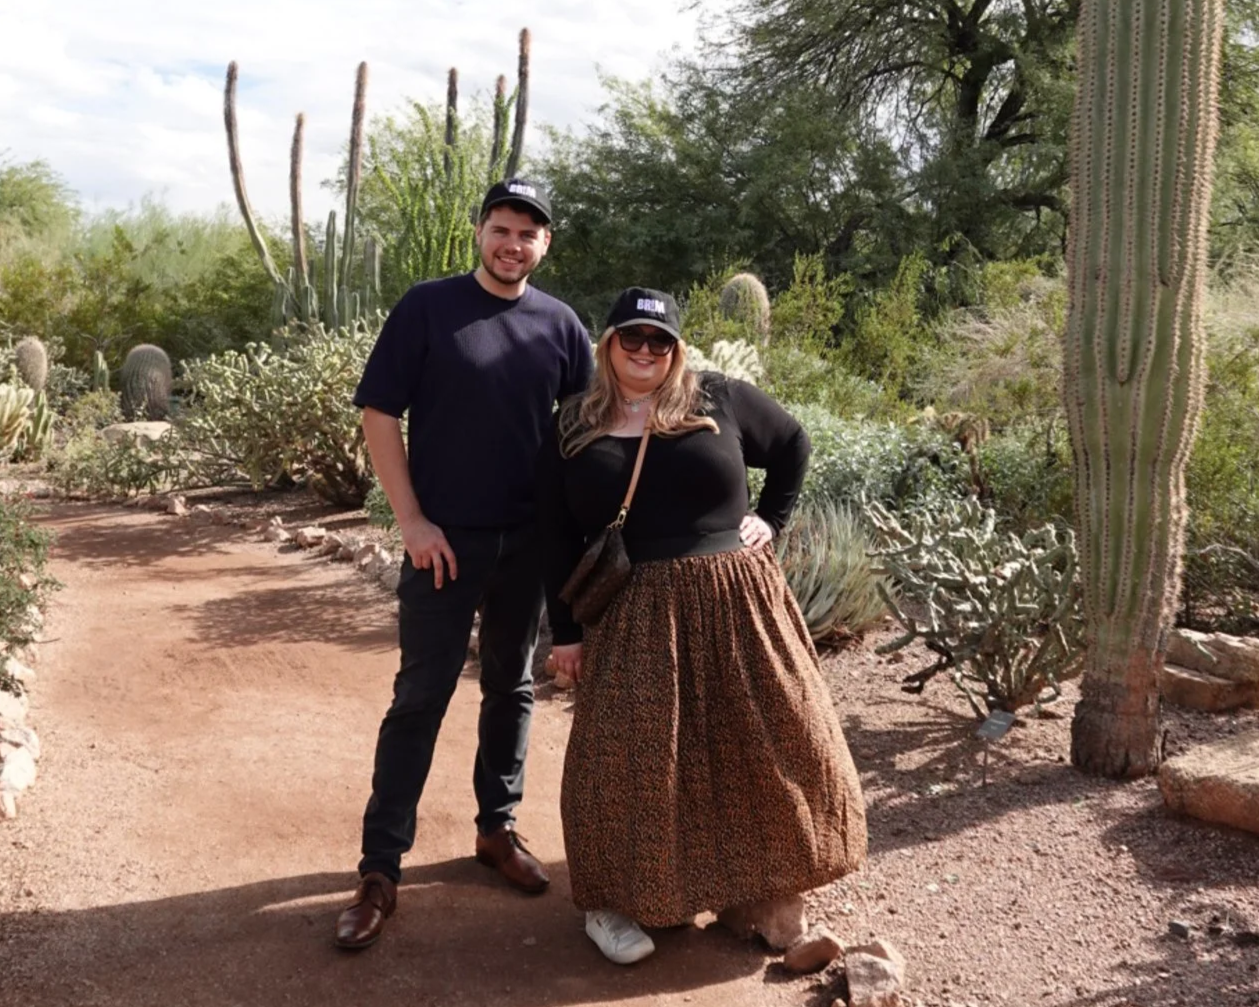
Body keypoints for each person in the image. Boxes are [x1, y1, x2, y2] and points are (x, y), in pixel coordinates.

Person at [536, 287, 867, 965]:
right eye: (632, 338)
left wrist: (771, 517)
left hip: (736, 599)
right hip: (633, 609)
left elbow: (793, 443)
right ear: (608, 344)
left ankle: (756, 885)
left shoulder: (718, 397)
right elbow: (553, 533)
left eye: (660, 342)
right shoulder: (572, 423)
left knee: (772, 738)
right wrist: (565, 631)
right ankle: (613, 899)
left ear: (677, 349)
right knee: (623, 759)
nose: (645, 352)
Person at [334, 178, 595, 950]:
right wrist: (411, 520)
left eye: (529, 234)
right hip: (443, 545)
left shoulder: (561, 325)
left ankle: (497, 828)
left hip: (528, 543)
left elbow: (583, 433)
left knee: (513, 687)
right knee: (420, 697)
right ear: (479, 231)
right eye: (502, 228)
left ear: (545, 245)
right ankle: (380, 869)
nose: (513, 244)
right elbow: (380, 412)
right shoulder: (427, 307)